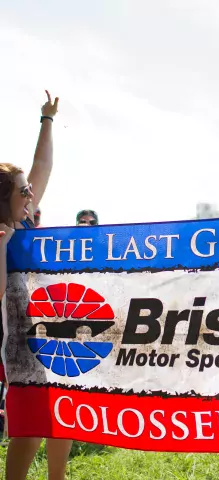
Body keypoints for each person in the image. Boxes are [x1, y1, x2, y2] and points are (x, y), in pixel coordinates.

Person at [1, 91, 73, 480]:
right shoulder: (2, 235)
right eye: (22, 190)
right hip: (12, 344)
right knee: (29, 425)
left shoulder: (25, 221)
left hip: (45, 330)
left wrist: (47, 119)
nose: (31, 193)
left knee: (61, 406)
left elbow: (41, 166)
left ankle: (57, 478)